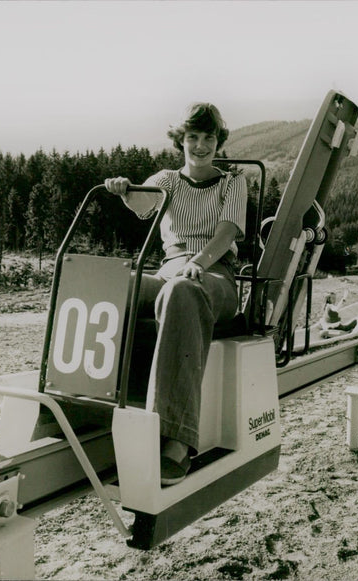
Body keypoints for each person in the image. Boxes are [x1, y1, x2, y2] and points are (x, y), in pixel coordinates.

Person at [104, 103, 247, 486]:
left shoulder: (233, 182)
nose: (200, 146)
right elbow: (143, 203)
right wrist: (123, 191)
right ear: (180, 141)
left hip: (214, 276)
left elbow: (228, 232)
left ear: (219, 141)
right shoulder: (167, 179)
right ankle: (87, 406)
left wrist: (198, 262)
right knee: (114, 285)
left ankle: (177, 439)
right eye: (193, 138)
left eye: (209, 138)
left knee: (182, 290)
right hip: (170, 271)